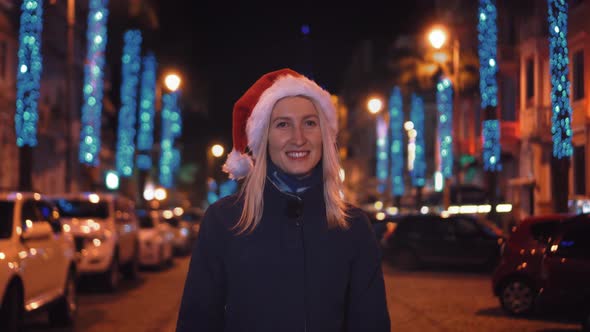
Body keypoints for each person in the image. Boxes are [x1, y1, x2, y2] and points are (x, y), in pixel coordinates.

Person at [176, 68, 390, 332]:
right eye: (282, 124)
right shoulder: (223, 221)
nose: (298, 138)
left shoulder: (354, 226)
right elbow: (197, 322)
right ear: (263, 138)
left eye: (310, 123)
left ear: (325, 135)